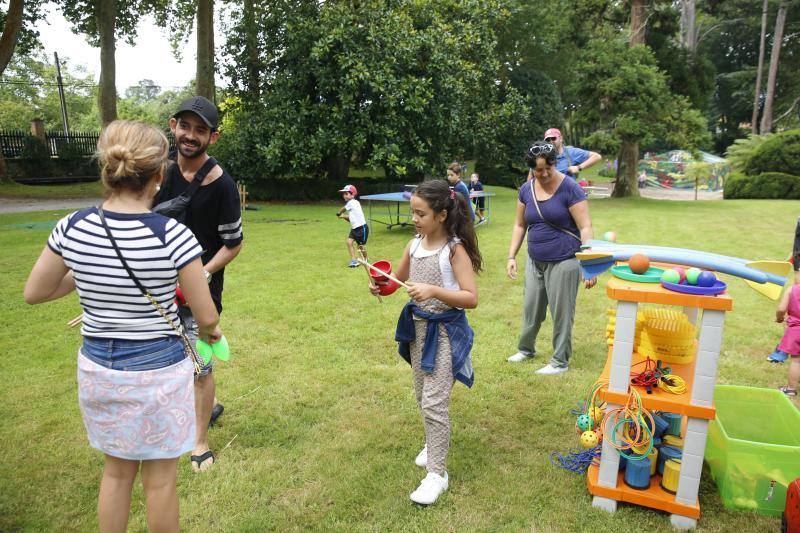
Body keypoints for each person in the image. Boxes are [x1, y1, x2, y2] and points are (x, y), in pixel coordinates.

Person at [24, 120, 222, 532]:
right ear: (158, 174)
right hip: (159, 370)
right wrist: (213, 336)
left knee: (116, 473)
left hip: (98, 368)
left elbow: (35, 292)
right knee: (160, 480)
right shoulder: (174, 236)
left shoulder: (72, 227)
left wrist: (88, 270)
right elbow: (206, 317)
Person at [372, 180, 481, 505]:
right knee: (422, 395)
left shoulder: (453, 249)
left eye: (421, 214)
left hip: (445, 332)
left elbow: (470, 297)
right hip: (418, 331)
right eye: (413, 213)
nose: (415, 219)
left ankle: (437, 474)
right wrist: (381, 287)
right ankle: (434, 442)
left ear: (442, 215)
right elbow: (399, 282)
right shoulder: (414, 245)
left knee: (435, 402)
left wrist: (433, 291)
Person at [153, 96, 243, 472]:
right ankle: (193, 414)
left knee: (200, 365)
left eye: (200, 130)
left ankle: (200, 441)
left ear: (213, 137)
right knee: (160, 360)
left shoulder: (222, 185)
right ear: (174, 126)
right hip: (154, 289)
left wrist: (202, 274)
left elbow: (233, 244)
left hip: (200, 292)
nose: (191, 136)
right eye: (185, 127)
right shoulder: (158, 173)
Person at [507, 141, 597, 374]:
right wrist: (511, 256)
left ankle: (559, 361)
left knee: (562, 312)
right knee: (531, 309)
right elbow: (519, 225)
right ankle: (526, 349)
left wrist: (589, 263)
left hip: (565, 260)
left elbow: (585, 227)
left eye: (550, 167)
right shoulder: (526, 190)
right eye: (539, 170)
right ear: (531, 169)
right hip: (535, 260)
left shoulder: (570, 188)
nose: (545, 173)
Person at [776, 283, 800, 398]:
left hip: (796, 330)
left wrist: (779, 318)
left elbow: (781, 309)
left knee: (796, 360)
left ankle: (790, 389)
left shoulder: (792, 289)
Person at [336, 184, 369, 267]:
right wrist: (343, 216)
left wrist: (339, 213)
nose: (344, 196)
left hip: (362, 228)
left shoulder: (353, 202)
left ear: (352, 194)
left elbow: (343, 209)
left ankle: (366, 259)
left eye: (346, 194)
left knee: (360, 247)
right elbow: (350, 219)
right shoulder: (352, 206)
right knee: (349, 242)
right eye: (343, 194)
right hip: (354, 229)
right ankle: (354, 260)